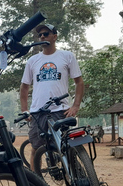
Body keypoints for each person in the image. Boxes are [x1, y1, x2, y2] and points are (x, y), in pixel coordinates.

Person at [20, 23, 85, 171]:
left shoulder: (67, 56)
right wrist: (25, 110)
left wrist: (75, 106)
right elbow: (24, 87)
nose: (42, 36)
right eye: (40, 34)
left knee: (65, 147)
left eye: (46, 34)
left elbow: (79, 82)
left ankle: (71, 185)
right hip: (38, 112)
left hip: (60, 110)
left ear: (54, 37)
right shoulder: (32, 61)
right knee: (36, 148)